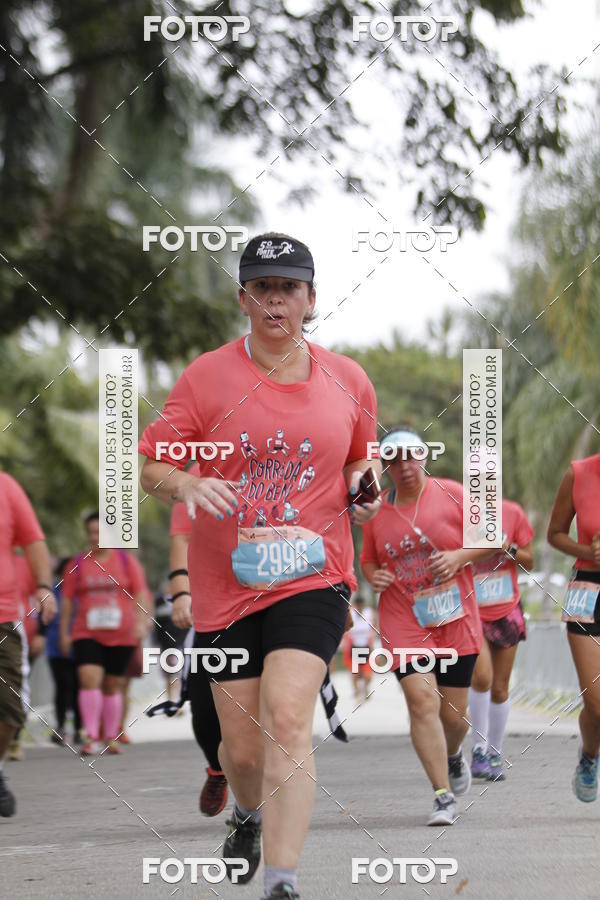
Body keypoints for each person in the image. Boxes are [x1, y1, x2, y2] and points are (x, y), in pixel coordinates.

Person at [139, 232, 381, 900]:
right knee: (241, 752)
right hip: (228, 586)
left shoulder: (349, 378)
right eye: (263, 288)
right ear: (243, 299)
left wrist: (365, 488)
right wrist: (187, 484)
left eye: (289, 288)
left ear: (311, 299)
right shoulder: (207, 376)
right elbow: (150, 464)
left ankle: (283, 881)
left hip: (314, 575)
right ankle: (245, 814)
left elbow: (361, 458)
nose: (276, 301)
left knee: (288, 717)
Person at [360, 428, 492, 826]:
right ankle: (442, 795)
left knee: (454, 717)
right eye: (394, 460)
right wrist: (374, 576)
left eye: (410, 457)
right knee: (421, 702)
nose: (404, 466)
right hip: (404, 618)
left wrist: (458, 557)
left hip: (454, 618)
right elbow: (369, 559)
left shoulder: (453, 493)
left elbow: (495, 539)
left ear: (424, 457)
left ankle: (452, 755)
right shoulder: (376, 511)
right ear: (385, 467)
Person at [59, 512, 151, 755]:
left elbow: (140, 593)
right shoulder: (77, 564)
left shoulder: (126, 561)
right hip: (86, 632)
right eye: (91, 532)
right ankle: (91, 736)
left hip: (122, 633)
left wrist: (142, 622)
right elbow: (66, 601)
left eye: (99, 532)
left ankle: (111, 736)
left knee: (113, 684)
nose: (95, 537)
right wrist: (64, 633)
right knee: (89, 679)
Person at [168, 485, 229, 816]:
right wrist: (181, 593)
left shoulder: (284, 463)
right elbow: (181, 539)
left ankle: (265, 787)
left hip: (276, 598)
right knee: (204, 706)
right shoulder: (193, 480)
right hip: (213, 605)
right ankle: (217, 769)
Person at [0, 471, 56, 816]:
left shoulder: (6, 486)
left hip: (3, 616)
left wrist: (43, 587)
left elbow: (34, 540)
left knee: (11, 708)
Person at [468, 498, 534, 781]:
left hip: (506, 607)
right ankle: (478, 750)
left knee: (499, 688)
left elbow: (529, 561)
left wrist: (509, 548)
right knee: (481, 678)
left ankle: (495, 752)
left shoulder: (513, 512)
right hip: (472, 610)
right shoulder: (459, 510)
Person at [548, 451, 600, 802]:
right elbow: (555, 534)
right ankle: (589, 756)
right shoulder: (579, 473)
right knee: (596, 704)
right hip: (588, 590)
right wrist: (589, 551)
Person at [46, 557, 82, 746]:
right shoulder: (52, 592)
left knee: (79, 688)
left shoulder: (82, 592)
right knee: (62, 687)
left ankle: (79, 730)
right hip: (56, 648)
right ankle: (60, 727)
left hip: (81, 646)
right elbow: (41, 617)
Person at [342, 595, 377, 699]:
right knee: (355, 672)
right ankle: (356, 690)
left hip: (366, 646)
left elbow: (375, 628)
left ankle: (365, 688)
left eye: (361, 606)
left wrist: (372, 640)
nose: (360, 608)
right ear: (355, 605)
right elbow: (345, 629)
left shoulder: (369, 613)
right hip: (354, 646)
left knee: (367, 674)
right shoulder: (350, 613)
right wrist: (345, 642)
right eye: (358, 606)